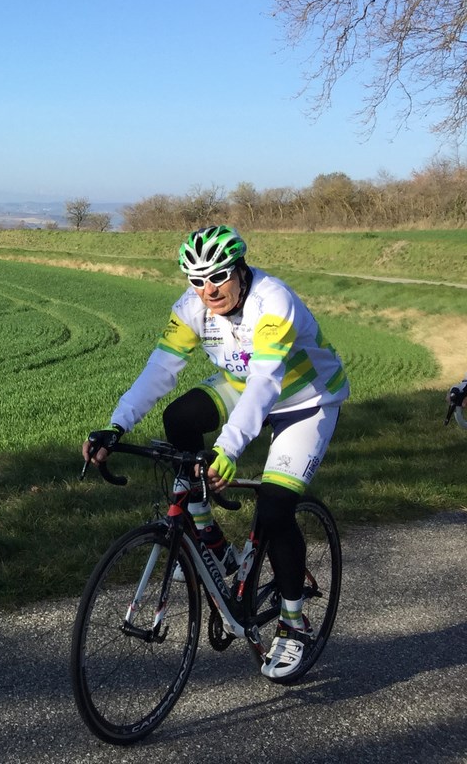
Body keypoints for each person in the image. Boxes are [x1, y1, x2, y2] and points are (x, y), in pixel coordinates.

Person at [81, 225, 350, 681]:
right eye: (197, 281)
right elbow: (161, 368)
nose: (209, 290)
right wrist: (116, 424)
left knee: (276, 504)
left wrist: (227, 447)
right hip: (244, 388)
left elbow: (267, 381)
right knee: (180, 419)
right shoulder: (191, 309)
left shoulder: (272, 302)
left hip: (306, 400)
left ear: (241, 269)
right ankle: (209, 537)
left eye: (219, 276)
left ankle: (292, 620)